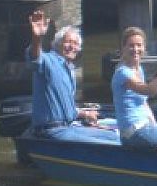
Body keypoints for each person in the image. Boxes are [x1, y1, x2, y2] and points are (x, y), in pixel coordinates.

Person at [25, 9, 119, 144]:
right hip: (52, 130)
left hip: (69, 127)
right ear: (58, 44)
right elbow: (35, 57)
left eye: (75, 44)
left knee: (114, 136)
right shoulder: (48, 61)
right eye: (68, 42)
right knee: (112, 145)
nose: (72, 47)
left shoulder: (70, 69)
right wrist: (37, 37)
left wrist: (85, 114)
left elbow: (66, 107)